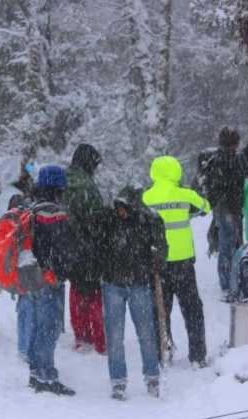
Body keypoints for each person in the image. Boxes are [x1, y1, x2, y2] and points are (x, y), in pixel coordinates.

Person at [142, 156, 211, 367]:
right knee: (192, 309)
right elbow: (206, 207)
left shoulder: (145, 197)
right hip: (182, 263)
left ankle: (162, 350)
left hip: (156, 263)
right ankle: (197, 356)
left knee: (159, 310)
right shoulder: (185, 195)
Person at [98, 186, 166, 400]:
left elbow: (163, 247)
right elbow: (96, 244)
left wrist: (158, 257)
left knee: (146, 334)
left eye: (124, 208)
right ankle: (118, 382)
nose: (121, 212)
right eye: (118, 208)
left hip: (139, 284)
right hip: (113, 285)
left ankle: (152, 377)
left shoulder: (148, 221)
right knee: (115, 337)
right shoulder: (109, 220)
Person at [0, 156, 35, 361]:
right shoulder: (17, 196)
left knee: (25, 302)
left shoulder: (8, 194)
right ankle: (26, 348)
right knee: (29, 302)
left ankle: (24, 346)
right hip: (22, 258)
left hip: (13, 258)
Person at [28, 165, 76, 396]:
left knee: (38, 325)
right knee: (51, 327)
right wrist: (65, 269)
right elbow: (63, 248)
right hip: (50, 277)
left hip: (33, 277)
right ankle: (47, 377)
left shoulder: (34, 208)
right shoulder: (53, 212)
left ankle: (36, 373)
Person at [63, 144, 106, 354]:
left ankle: (80, 335)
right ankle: (98, 338)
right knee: (94, 293)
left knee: (76, 291)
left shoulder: (64, 179)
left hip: (65, 246)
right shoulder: (87, 186)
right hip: (88, 246)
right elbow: (96, 220)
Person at [203, 127, 247, 293]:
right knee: (233, 244)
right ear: (235, 143)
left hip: (223, 209)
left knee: (226, 245)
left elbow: (213, 188)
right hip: (232, 208)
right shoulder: (236, 160)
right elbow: (242, 183)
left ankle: (228, 282)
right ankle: (232, 282)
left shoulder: (215, 161)